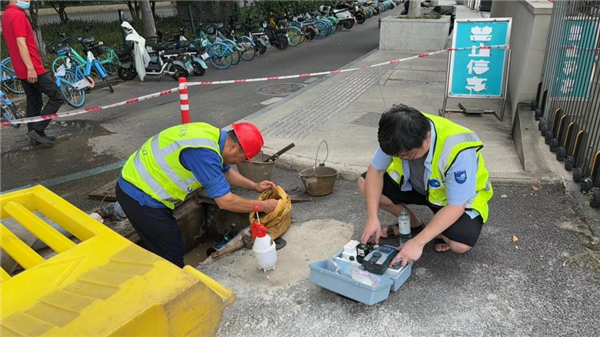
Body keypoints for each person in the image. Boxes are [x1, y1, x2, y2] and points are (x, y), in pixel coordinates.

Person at [116, 122, 279, 267]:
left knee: (166, 245)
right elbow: (225, 201)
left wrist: (254, 186)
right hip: (139, 195)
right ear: (233, 148)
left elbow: (225, 172)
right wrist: (262, 206)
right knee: (171, 254)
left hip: (142, 184)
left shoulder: (214, 137)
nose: (238, 163)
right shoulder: (203, 154)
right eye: (241, 159)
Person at [359, 104, 493, 267]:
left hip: (449, 198)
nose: (401, 158)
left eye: (406, 155)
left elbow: (456, 206)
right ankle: (412, 223)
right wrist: (372, 218)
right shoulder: (396, 130)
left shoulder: (458, 149)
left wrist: (418, 243)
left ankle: (439, 232)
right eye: (396, 155)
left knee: (460, 245)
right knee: (365, 183)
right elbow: (376, 171)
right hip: (417, 186)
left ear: (427, 138)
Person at [1, 0, 64, 147]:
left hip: (20, 67)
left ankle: (35, 135)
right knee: (57, 96)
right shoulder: (17, 15)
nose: (28, 0)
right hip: (31, 67)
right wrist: (30, 67)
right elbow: (21, 42)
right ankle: (37, 129)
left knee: (34, 101)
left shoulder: (6, 14)